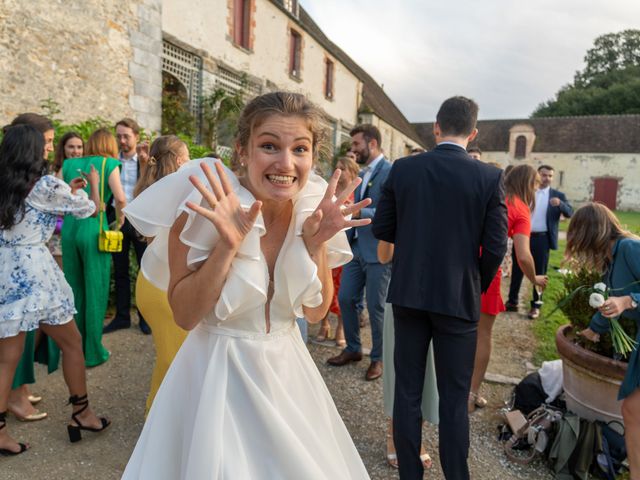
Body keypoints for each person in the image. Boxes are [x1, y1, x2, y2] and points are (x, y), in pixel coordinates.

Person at [121, 92, 372, 479]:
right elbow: (186, 316)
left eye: (299, 149)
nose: (285, 163)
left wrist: (315, 242)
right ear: (242, 149)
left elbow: (315, 312)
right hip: (217, 379)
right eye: (269, 146)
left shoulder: (311, 206)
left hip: (289, 374)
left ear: (312, 155)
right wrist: (228, 245)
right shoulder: (204, 205)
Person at [372, 96, 508, 480]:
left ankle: (410, 473)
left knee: (407, 391)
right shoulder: (488, 176)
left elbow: (383, 228)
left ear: (436, 127)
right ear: (473, 132)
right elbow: (496, 244)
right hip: (458, 296)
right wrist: (474, 279)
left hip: (409, 292)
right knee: (453, 397)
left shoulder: (404, 169)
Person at [0, 125, 110, 455]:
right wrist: (88, 188)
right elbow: (90, 209)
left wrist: (67, 192)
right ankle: (82, 413)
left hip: (5, 269)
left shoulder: (5, 183)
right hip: (35, 271)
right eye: (42, 146)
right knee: (71, 342)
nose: (47, 150)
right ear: (31, 151)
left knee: (6, 358)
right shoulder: (46, 184)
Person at [469, 164, 548, 412]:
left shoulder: (487, 194)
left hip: (462, 265)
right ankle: (470, 395)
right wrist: (535, 279)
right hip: (487, 272)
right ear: (529, 185)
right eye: (535, 185)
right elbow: (523, 255)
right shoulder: (520, 209)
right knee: (482, 334)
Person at [570, 203, 640, 480]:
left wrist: (629, 300)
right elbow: (611, 302)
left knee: (633, 410)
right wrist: (593, 329)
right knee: (632, 411)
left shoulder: (629, 248)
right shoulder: (611, 259)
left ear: (591, 231)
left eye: (578, 233)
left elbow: (624, 299)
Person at [327, 124, 392, 382]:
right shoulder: (364, 172)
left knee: (377, 307)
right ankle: (353, 348)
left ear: (372, 144)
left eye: (356, 144)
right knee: (345, 298)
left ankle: (378, 358)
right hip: (355, 247)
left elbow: (391, 211)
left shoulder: (390, 172)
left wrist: (356, 212)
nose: (352, 149)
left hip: (378, 250)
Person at [132, 135, 190, 413]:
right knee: (175, 362)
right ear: (180, 161)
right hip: (165, 288)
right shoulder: (182, 191)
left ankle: (157, 415)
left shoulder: (151, 187)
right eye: (188, 157)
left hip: (149, 282)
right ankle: (158, 421)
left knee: (168, 357)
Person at [4, 113, 55, 423]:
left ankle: (19, 389)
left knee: (22, 333)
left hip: (25, 264)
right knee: (14, 338)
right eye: (46, 142)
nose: (49, 148)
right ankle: (14, 395)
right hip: (16, 268)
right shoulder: (21, 180)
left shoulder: (25, 177)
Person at [60, 128, 126, 367]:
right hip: (93, 230)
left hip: (69, 230)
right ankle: (93, 351)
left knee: (73, 288)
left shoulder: (69, 164)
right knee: (95, 289)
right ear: (110, 144)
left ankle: (71, 347)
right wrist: (119, 220)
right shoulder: (109, 163)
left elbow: (59, 197)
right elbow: (120, 198)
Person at [378, 240, 438, 471]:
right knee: (399, 369)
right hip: (404, 290)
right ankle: (393, 433)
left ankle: (416, 436)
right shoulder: (402, 203)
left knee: (430, 371)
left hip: (441, 294)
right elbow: (384, 255)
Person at [103, 118, 151, 334]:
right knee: (120, 270)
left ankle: (145, 318)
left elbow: (153, 188)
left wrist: (145, 164)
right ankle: (122, 317)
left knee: (145, 270)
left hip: (140, 218)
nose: (122, 140)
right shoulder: (111, 161)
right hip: (117, 218)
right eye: (119, 136)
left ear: (136, 137)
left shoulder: (146, 160)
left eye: (126, 136)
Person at [506, 164, 572, 319]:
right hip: (520, 235)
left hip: (541, 238)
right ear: (537, 175)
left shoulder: (557, 195)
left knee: (540, 271)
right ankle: (512, 301)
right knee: (517, 268)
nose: (546, 178)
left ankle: (536, 305)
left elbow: (570, 212)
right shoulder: (525, 192)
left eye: (550, 175)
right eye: (543, 175)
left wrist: (561, 204)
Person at [315, 155, 360, 347]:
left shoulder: (357, 193)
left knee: (343, 291)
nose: (339, 171)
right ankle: (323, 324)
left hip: (349, 247)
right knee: (324, 285)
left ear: (352, 171)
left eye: (343, 168)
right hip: (329, 247)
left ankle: (340, 328)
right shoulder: (329, 190)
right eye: (337, 166)